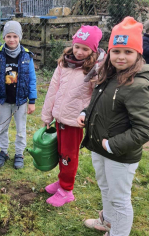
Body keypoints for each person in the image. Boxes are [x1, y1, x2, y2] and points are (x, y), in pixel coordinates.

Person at [77, 17, 149, 236]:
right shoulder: (108, 75)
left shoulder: (138, 85)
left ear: (138, 54)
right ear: (109, 53)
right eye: (116, 51)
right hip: (100, 146)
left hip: (119, 154)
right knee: (105, 188)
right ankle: (107, 221)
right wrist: (85, 113)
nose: (121, 57)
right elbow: (97, 103)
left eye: (128, 52)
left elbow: (143, 129)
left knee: (119, 199)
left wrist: (113, 145)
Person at [42, 25, 104, 207]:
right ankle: (62, 182)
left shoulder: (94, 69)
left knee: (69, 156)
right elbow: (53, 89)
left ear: (93, 49)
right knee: (61, 153)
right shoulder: (64, 63)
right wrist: (47, 115)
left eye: (85, 49)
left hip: (75, 121)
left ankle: (67, 190)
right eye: (77, 46)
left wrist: (86, 116)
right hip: (60, 118)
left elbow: (96, 98)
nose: (79, 52)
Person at [0, 21, 37, 169]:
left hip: (20, 101)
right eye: (8, 36)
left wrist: (32, 100)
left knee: (21, 128)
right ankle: (3, 151)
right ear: (4, 37)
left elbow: (32, 80)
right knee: (2, 127)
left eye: (15, 36)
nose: (12, 39)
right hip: (3, 100)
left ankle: (19, 153)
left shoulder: (27, 57)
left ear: (19, 37)